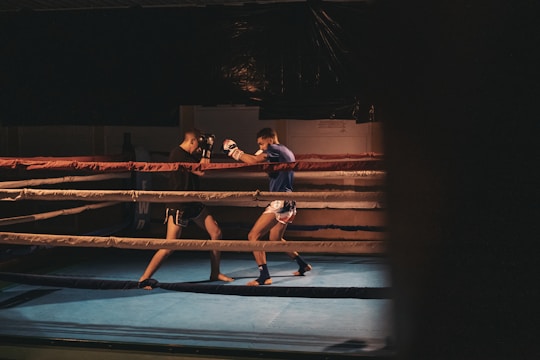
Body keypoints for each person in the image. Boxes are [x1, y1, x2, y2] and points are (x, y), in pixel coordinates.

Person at [138, 129, 234, 289]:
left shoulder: (190, 155)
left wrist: (205, 150)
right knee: (170, 246)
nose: (198, 149)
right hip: (179, 205)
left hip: (194, 203)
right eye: (198, 145)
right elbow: (202, 171)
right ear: (192, 141)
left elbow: (203, 167)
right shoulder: (178, 154)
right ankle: (144, 278)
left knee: (216, 232)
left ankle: (215, 272)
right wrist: (207, 149)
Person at [222, 127, 311, 286]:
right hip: (290, 201)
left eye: (261, 144)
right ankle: (302, 264)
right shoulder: (285, 151)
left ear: (269, 139)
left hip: (280, 201)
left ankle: (264, 276)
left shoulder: (275, 149)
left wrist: (234, 152)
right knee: (275, 238)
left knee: (253, 236)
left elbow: (254, 161)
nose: (261, 148)